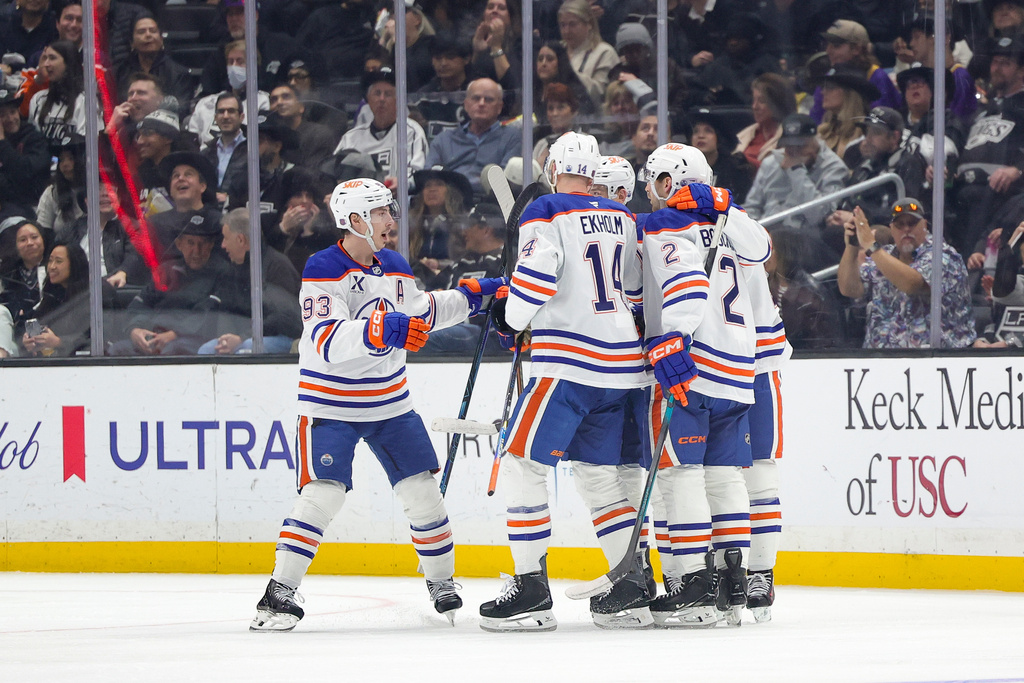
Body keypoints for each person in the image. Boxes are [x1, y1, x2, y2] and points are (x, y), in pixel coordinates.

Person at [250, 177, 506, 631]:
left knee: (423, 492)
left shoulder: (394, 265)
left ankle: (442, 582)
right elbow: (326, 339)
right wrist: (380, 330)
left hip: (390, 404)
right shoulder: (323, 267)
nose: (392, 219)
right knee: (323, 494)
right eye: (382, 212)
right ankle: (278, 593)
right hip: (331, 405)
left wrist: (473, 297)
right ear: (354, 220)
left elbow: (422, 311)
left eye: (390, 210)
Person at [481, 132, 649, 631]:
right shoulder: (622, 216)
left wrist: (510, 318)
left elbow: (536, 279)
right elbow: (635, 288)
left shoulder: (547, 209)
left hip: (569, 366)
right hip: (621, 367)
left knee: (520, 463)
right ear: (594, 173)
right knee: (599, 476)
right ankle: (630, 586)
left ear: (553, 169)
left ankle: (531, 589)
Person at [638, 143, 771, 627]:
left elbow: (683, 284)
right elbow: (763, 249)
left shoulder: (664, 223)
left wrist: (673, 335)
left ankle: (694, 579)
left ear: (668, 182)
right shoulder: (730, 222)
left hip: (692, 361)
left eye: (653, 182)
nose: (649, 193)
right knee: (725, 476)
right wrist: (725, 207)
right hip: (738, 368)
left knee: (682, 473)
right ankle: (734, 582)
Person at [837, 198, 977, 349]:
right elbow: (850, 289)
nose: (906, 229)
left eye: (912, 223)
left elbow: (912, 284)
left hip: (936, 357)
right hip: (880, 358)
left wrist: (871, 246)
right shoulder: (884, 256)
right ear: (891, 229)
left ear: (925, 225)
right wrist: (852, 246)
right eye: (900, 224)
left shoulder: (944, 255)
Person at [741, 264, 792, 623]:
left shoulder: (739, 233)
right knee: (709, 476)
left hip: (758, 362)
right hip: (707, 365)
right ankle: (723, 571)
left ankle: (761, 572)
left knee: (759, 473)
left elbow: (764, 250)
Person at [108, 214, 231, 356]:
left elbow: (208, 314)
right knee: (117, 350)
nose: (196, 251)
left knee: (171, 351)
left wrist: (174, 334)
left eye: (202, 243)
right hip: (155, 336)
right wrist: (135, 329)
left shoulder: (222, 272)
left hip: (191, 340)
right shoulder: (166, 270)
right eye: (190, 243)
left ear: (211, 245)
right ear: (179, 244)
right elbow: (141, 303)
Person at [951, 34, 1024, 258]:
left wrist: (1018, 169)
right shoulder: (983, 109)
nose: (997, 68)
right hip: (961, 194)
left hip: (997, 197)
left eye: (1006, 63)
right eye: (995, 62)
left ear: (1021, 71)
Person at [199, 208, 301, 355]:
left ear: (241, 240)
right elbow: (229, 310)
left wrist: (243, 337)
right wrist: (227, 338)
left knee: (247, 350)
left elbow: (282, 318)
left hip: (283, 337)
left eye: (226, 238)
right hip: (245, 336)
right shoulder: (234, 268)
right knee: (207, 350)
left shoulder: (277, 266)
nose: (223, 245)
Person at [744, 113, 848, 240]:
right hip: (766, 234)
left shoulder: (834, 168)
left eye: (800, 146)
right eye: (789, 146)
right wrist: (753, 234)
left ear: (814, 141)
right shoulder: (771, 163)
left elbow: (818, 215)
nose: (794, 152)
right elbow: (752, 206)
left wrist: (797, 171)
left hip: (806, 240)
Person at [423, 77, 519, 198]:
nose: (481, 103)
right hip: (450, 203)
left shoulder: (513, 137)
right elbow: (429, 177)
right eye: (476, 98)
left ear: (499, 107)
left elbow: (507, 180)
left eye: (488, 99)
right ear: (466, 104)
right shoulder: (443, 140)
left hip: (493, 202)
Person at [332, 68, 427, 185]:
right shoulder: (351, 137)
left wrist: (401, 182)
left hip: (396, 195)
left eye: (388, 94)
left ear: (399, 100)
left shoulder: (410, 131)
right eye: (377, 93)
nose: (381, 99)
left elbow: (416, 171)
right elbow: (334, 172)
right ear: (368, 99)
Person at [20, 242, 109, 357]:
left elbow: (101, 338)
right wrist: (30, 340)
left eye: (58, 261)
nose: (52, 267)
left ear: (74, 264)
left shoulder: (97, 292)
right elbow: (38, 322)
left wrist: (59, 342)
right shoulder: (53, 293)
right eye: (50, 261)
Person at [809, 20, 903, 124]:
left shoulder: (877, 76)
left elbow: (882, 123)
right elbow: (816, 119)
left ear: (856, 49)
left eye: (836, 46)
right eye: (827, 45)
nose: (828, 51)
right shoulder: (829, 77)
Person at [58, 183, 146, 288]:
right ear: (87, 201)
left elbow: (135, 256)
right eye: (98, 189)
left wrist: (123, 272)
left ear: (119, 198)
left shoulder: (131, 227)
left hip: (111, 287)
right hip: (73, 289)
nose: (104, 194)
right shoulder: (72, 228)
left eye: (110, 189)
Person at [188, 40, 270, 149]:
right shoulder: (207, 102)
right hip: (206, 156)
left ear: (253, 66)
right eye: (230, 62)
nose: (234, 66)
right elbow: (191, 140)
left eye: (240, 61)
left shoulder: (262, 101)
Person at [408, 167, 472, 289]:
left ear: (450, 191)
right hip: (417, 280)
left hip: (450, 281)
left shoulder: (462, 224)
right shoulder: (411, 223)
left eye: (439, 184)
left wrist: (439, 264)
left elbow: (468, 258)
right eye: (427, 185)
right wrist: (419, 265)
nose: (432, 189)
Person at [148, 151, 221, 255]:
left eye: (188, 174)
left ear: (202, 186)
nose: (181, 178)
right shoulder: (154, 224)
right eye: (176, 176)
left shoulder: (218, 223)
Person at [114, 15, 193, 109]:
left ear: (161, 39)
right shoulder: (122, 72)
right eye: (141, 32)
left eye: (153, 31)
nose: (148, 35)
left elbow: (181, 109)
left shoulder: (178, 73)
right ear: (132, 42)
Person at [0, 219, 50, 357]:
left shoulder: (53, 270)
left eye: (34, 237)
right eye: (23, 240)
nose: (29, 243)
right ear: (15, 246)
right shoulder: (6, 275)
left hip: (44, 335)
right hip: (10, 336)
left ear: (43, 239)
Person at [557, 0, 618, 105]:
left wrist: (568, 70)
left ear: (589, 24)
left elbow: (601, 94)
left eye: (572, 24)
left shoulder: (604, 52)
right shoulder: (556, 50)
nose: (566, 31)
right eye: (563, 25)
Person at [28, 40, 88, 146]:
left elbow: (85, 145)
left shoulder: (85, 100)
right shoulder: (38, 99)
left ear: (68, 61)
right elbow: (33, 142)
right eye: (45, 58)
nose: (46, 64)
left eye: (52, 58)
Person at [688, 106, 753, 202]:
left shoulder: (736, 170)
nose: (700, 136)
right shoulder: (684, 169)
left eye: (708, 131)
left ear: (719, 138)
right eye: (696, 131)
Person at [0, 86, 50, 210]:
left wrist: (2, 141)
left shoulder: (35, 139)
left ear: (19, 112)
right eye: (2, 115)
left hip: (31, 207)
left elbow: (25, 172)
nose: (10, 119)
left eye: (12, 112)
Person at [735, 74, 797, 171]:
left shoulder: (793, 138)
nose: (754, 106)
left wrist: (749, 162)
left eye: (762, 101)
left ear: (778, 104)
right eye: (754, 100)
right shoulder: (745, 134)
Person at [817, 64, 879, 161]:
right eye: (823, 87)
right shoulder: (823, 131)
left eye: (830, 87)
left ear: (850, 93)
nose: (823, 92)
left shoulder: (867, 131)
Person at [270, 83, 338, 171]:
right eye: (274, 100)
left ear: (301, 107)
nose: (279, 102)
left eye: (286, 97)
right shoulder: (268, 138)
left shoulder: (319, 134)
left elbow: (314, 173)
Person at [200, 92, 246, 207]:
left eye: (231, 111)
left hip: (239, 212)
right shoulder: (205, 153)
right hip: (209, 211)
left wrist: (230, 200)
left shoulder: (253, 151)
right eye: (221, 112)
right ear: (215, 118)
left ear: (241, 117)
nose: (225, 116)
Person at [35, 134, 84, 234]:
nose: (65, 164)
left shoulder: (99, 189)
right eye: (61, 159)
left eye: (71, 158)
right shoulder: (51, 193)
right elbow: (44, 231)